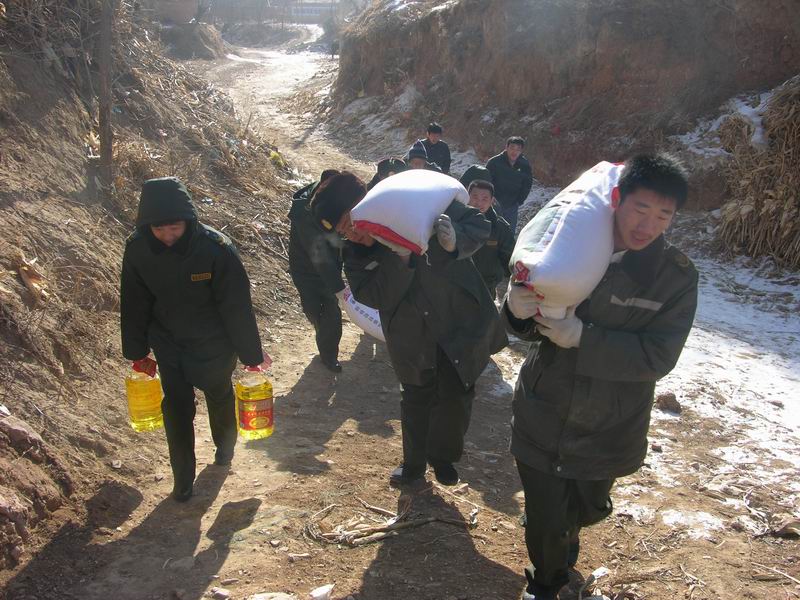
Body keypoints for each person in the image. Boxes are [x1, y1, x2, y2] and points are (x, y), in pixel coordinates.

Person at [502, 154, 699, 600]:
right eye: (640, 209)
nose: (648, 225)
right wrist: (515, 310)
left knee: (587, 508)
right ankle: (547, 582)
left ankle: (567, 531)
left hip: (608, 423)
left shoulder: (675, 278)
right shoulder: (570, 250)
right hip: (545, 407)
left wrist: (583, 339)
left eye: (663, 215)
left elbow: (659, 355)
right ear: (617, 199)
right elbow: (528, 326)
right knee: (547, 517)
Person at [339, 187, 508, 487]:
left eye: (350, 224)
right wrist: (401, 258)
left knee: (457, 395)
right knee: (417, 397)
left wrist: (455, 239)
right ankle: (414, 466)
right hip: (411, 334)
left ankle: (442, 458)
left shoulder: (417, 209)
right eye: (343, 232)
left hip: (457, 321)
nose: (351, 234)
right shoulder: (355, 253)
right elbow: (373, 294)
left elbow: (479, 224)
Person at [120, 177, 270, 502]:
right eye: (159, 229)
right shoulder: (138, 249)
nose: (167, 236)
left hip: (214, 344)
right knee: (176, 406)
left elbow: (236, 306)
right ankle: (183, 478)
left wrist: (251, 354)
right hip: (169, 342)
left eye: (174, 228)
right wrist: (137, 351)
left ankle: (225, 448)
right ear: (147, 226)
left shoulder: (215, 249)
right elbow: (134, 302)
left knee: (218, 394)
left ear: (188, 221)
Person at [288, 170, 365, 373]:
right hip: (306, 268)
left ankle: (329, 355)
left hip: (332, 262)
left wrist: (339, 290)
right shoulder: (305, 213)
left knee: (330, 309)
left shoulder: (337, 197)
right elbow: (320, 256)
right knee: (313, 309)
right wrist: (341, 290)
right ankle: (321, 329)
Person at [466, 180, 515, 298]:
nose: (479, 203)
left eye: (484, 199)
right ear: (467, 196)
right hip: (457, 284)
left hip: (486, 286)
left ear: (492, 201)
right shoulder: (456, 221)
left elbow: (509, 257)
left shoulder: (500, 227)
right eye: (475, 197)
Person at [485, 136, 533, 233]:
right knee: (491, 231)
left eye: (518, 149)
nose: (514, 152)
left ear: (521, 151)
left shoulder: (524, 165)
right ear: (506, 147)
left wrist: (520, 200)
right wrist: (489, 197)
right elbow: (486, 181)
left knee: (509, 232)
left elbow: (527, 184)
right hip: (494, 203)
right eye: (512, 148)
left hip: (512, 205)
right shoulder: (494, 162)